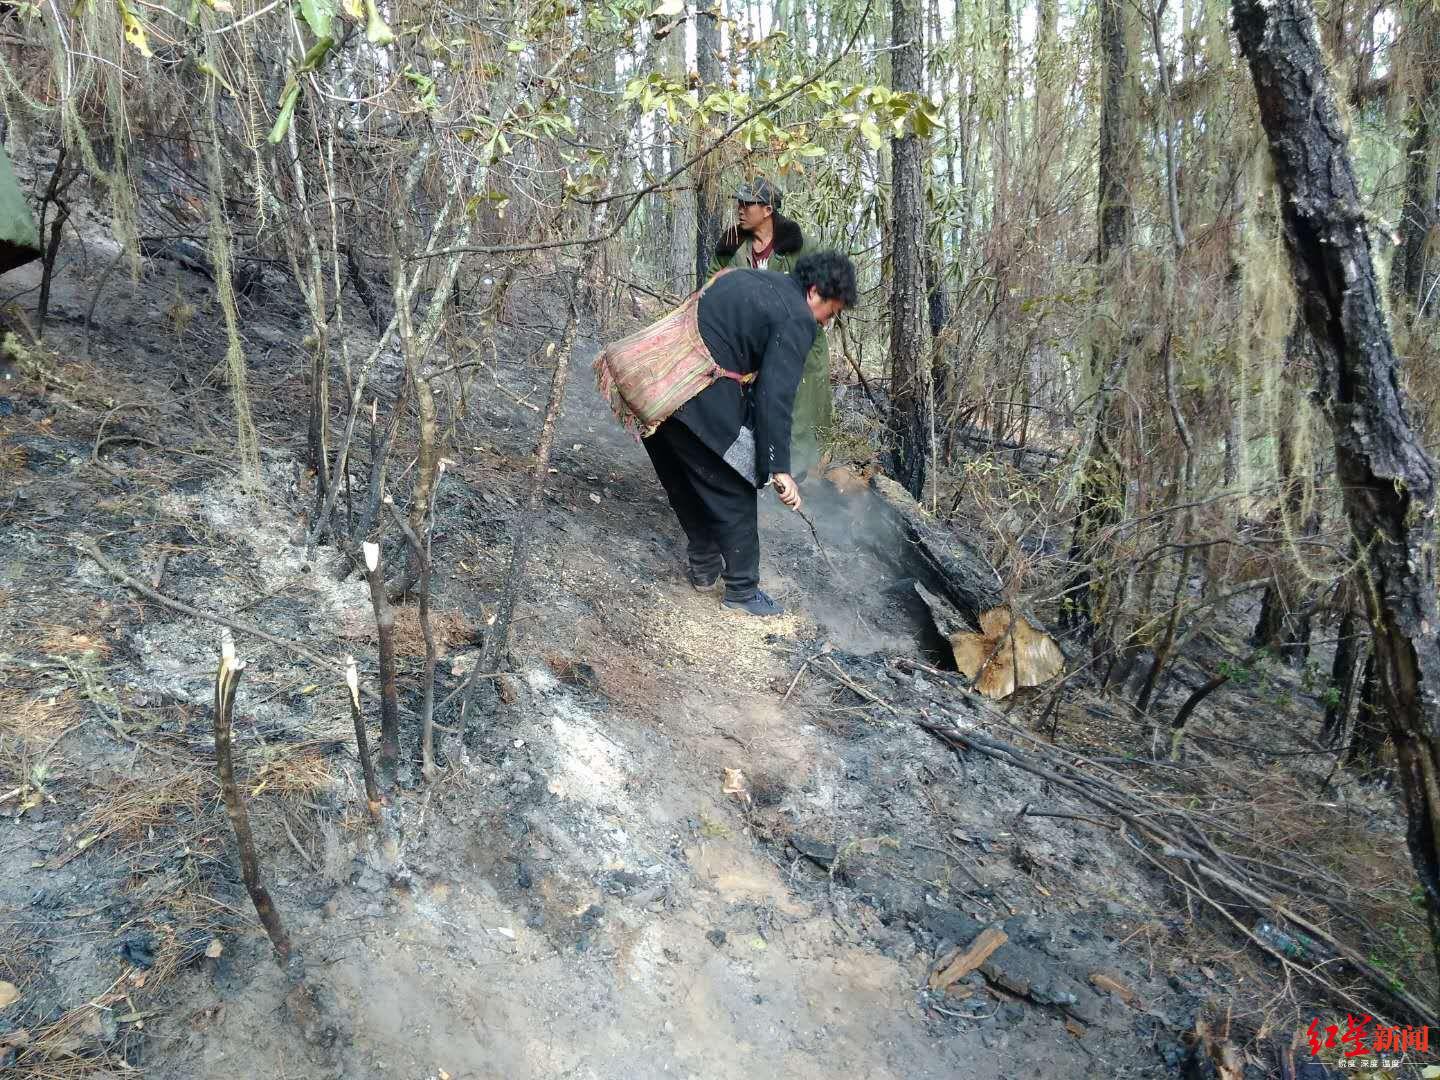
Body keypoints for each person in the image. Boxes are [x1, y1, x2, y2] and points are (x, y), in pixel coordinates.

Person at [645, 251, 858, 616]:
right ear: (815, 292)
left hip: (655, 385)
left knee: (685, 478)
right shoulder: (797, 318)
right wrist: (778, 468)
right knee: (735, 485)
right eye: (832, 312)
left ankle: (704, 565)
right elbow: (775, 395)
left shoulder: (746, 278)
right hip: (694, 391)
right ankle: (742, 592)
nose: (825, 323)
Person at [708, 178, 832, 479]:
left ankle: (794, 477)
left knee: (795, 415)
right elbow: (711, 287)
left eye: (747, 203)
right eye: (738, 202)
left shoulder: (803, 248)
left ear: (767, 209)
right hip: (745, 346)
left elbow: (825, 295)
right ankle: (751, 472)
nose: (740, 208)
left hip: (796, 347)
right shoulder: (730, 247)